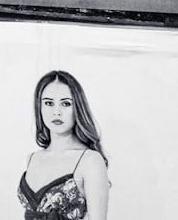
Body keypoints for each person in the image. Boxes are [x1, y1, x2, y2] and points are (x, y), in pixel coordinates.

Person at [18, 70, 110, 220]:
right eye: (48, 103)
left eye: (66, 103)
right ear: (39, 107)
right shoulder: (32, 158)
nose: (56, 112)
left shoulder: (90, 160)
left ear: (78, 108)